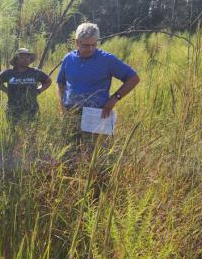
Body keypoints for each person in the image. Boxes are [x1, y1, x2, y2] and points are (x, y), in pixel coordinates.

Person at [56, 22, 140, 160]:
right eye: (85, 45)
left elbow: (133, 78)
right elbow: (60, 83)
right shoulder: (68, 59)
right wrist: (62, 107)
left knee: (95, 156)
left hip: (96, 114)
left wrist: (114, 99)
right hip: (71, 115)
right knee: (69, 152)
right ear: (77, 42)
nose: (90, 49)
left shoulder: (107, 59)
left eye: (94, 44)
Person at [0, 48, 52, 123]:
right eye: (22, 57)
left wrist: (38, 91)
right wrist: (7, 91)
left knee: (31, 132)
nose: (26, 59)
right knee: (13, 133)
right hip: (13, 110)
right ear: (16, 60)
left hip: (31, 110)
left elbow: (48, 81)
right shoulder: (8, 73)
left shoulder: (35, 72)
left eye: (27, 57)